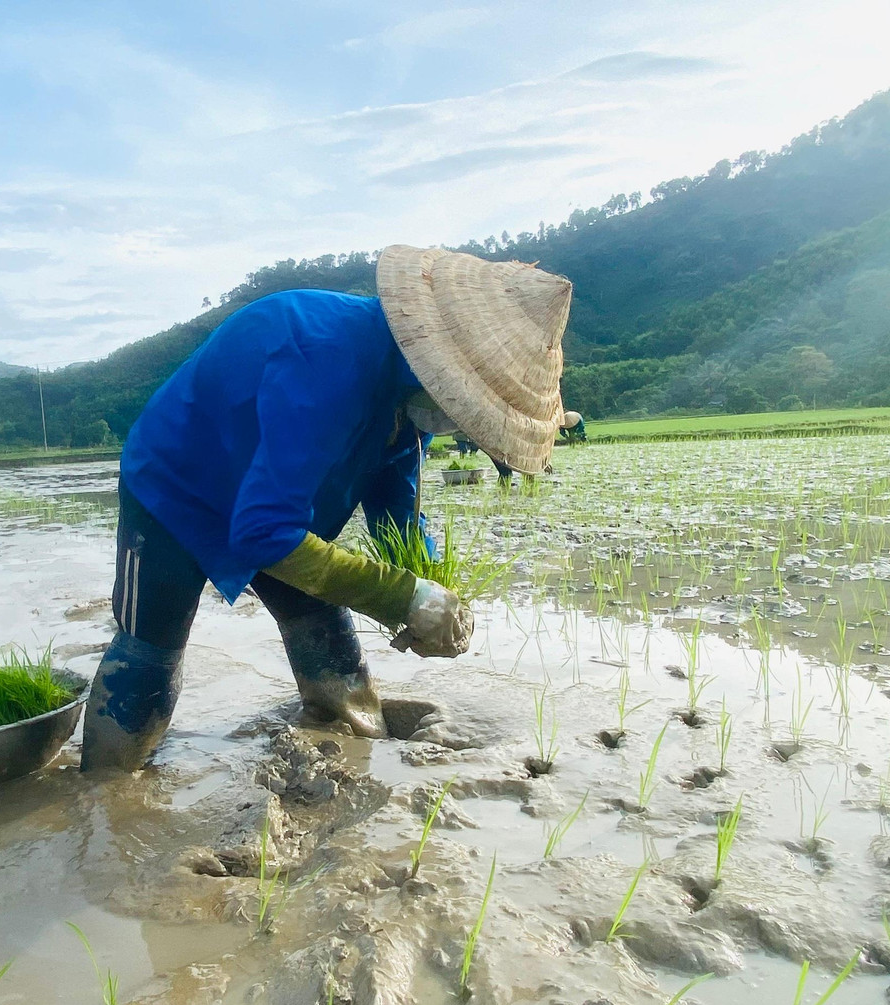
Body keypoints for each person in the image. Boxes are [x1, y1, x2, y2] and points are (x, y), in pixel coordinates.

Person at [81, 245, 573, 770]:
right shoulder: (322, 355)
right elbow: (263, 534)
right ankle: (107, 799)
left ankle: (346, 756)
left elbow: (396, 513)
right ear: (438, 363)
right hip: (177, 488)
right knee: (151, 647)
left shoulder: (407, 399)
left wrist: (429, 583)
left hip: (278, 506)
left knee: (324, 625)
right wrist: (401, 597)